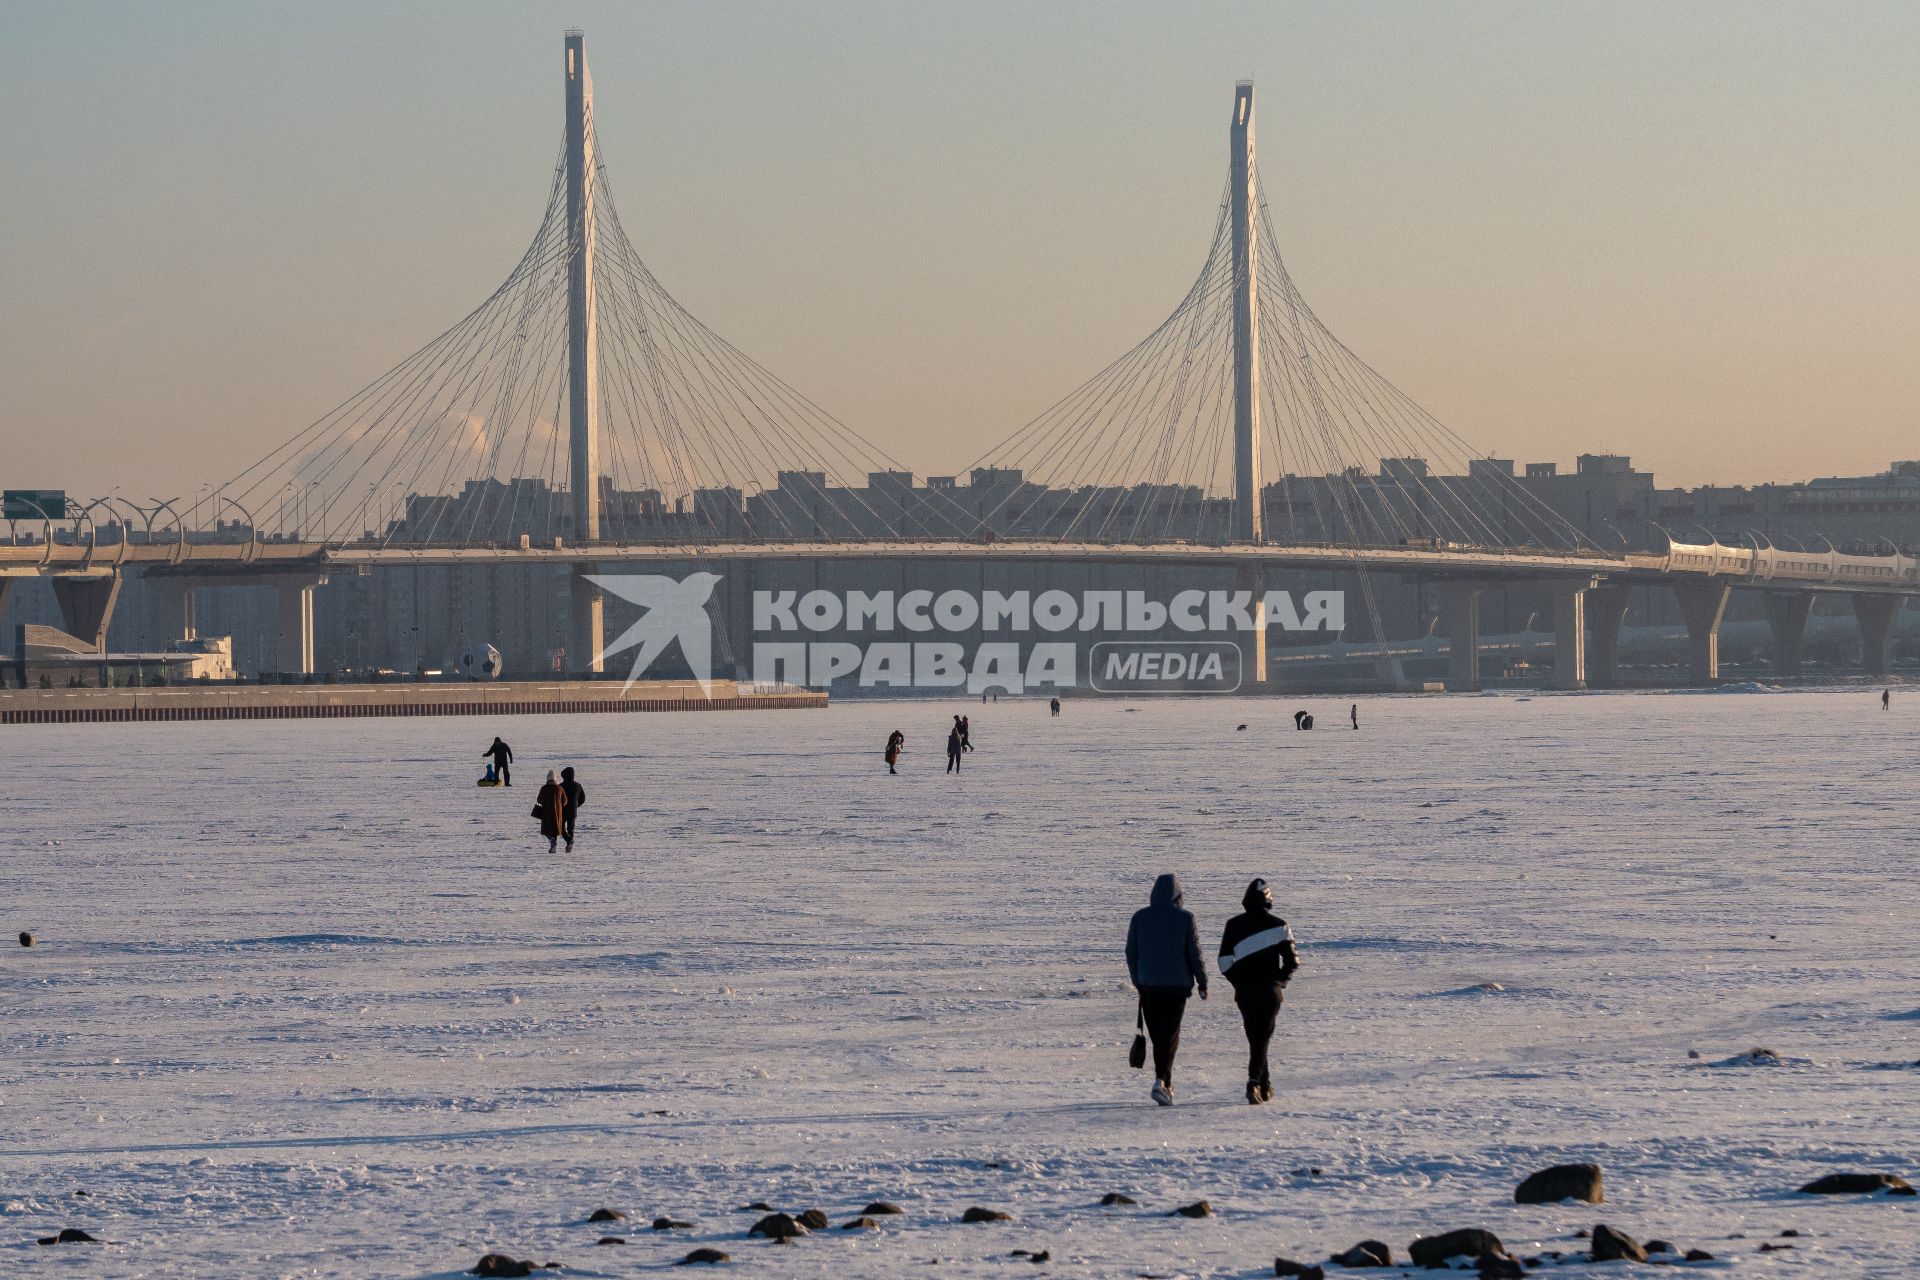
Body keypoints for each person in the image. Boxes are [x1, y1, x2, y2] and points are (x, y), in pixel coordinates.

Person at [1124, 873, 1208, 1105]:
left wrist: (1137, 980)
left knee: (1159, 1036)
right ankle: (1162, 1081)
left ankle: (1164, 1083)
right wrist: (1202, 982)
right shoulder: (1185, 919)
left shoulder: (1140, 918)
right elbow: (1194, 953)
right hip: (1176, 988)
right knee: (1169, 1036)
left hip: (1149, 987)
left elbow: (1131, 952)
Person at [1217, 877, 1300, 1105]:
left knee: (1257, 1037)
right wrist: (1279, 982)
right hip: (1270, 993)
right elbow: (1293, 962)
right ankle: (1255, 1082)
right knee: (1260, 1037)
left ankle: (1264, 1085)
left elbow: (1224, 962)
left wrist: (1239, 982)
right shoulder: (1280, 926)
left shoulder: (1233, 925)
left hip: (1245, 993)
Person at [531, 770, 571, 853]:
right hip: (558, 813)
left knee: (546, 830)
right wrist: (559, 805)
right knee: (555, 830)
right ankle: (553, 847)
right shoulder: (560, 788)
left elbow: (539, 800)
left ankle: (552, 841)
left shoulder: (544, 788)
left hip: (546, 813)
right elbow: (565, 801)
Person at [559, 766, 585, 851]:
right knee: (570, 828)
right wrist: (576, 806)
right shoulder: (578, 785)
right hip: (573, 811)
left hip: (563, 810)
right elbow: (582, 799)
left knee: (561, 828)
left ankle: (569, 841)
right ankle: (570, 843)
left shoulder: (561, 786)